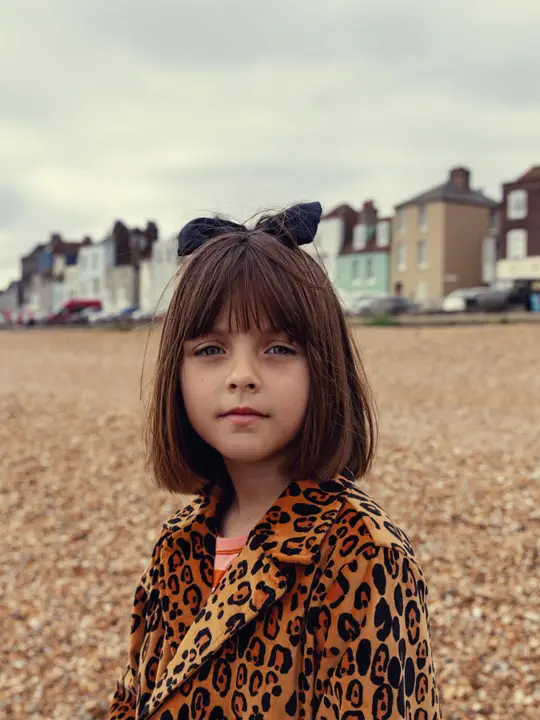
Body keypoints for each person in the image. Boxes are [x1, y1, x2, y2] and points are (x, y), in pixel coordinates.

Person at [108, 202, 443, 720]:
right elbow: (132, 697)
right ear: (176, 373)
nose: (241, 375)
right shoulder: (178, 541)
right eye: (211, 349)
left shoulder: (362, 556)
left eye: (279, 348)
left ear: (325, 369)